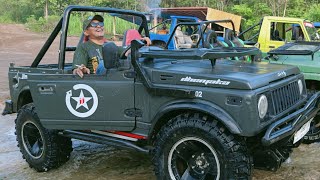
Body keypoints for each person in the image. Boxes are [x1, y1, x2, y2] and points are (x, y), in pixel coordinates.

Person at [73, 15, 151, 78]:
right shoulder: (84, 47)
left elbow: (127, 51)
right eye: (94, 24)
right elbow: (77, 68)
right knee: (102, 64)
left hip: (113, 79)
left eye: (101, 24)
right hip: (97, 81)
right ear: (86, 32)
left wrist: (141, 42)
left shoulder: (110, 46)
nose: (99, 26)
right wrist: (80, 69)